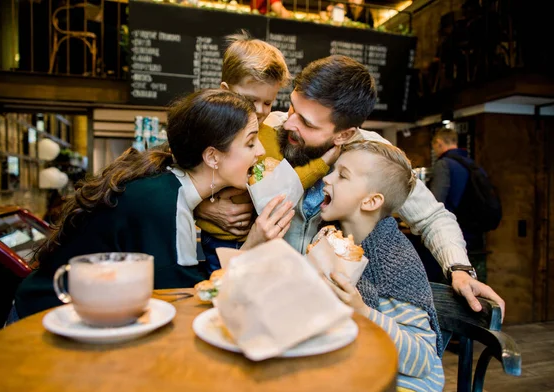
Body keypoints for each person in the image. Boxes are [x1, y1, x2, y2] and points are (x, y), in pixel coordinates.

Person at [212, 54, 504, 315]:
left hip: (328, 310)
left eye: (307, 123)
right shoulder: (264, 129)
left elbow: (432, 217)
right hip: (258, 297)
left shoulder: (374, 157)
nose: (288, 123)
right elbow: (196, 164)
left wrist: (460, 269)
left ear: (344, 134)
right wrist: (210, 207)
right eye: (292, 108)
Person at [13, 89, 294, 320]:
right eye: (250, 143)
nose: (259, 152)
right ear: (212, 157)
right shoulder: (162, 204)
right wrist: (252, 246)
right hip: (43, 319)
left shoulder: (167, 187)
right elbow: (186, 305)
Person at [195, 32, 339, 273]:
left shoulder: (272, 134)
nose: (260, 111)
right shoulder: (206, 129)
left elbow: (286, 183)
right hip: (218, 240)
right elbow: (180, 177)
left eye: (268, 102)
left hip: (263, 239)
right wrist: (201, 208)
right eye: (250, 100)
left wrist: (326, 159)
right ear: (225, 90)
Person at [321, 140, 444, 392]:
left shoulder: (394, 261)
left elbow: (422, 359)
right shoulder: (332, 240)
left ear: (371, 201)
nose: (327, 179)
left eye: (341, 175)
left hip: (406, 387)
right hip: (358, 373)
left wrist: (363, 312)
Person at [430, 127, 493, 281]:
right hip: (477, 237)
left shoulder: (444, 164)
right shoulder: (472, 164)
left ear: (438, 143)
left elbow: (435, 203)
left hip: (453, 237)